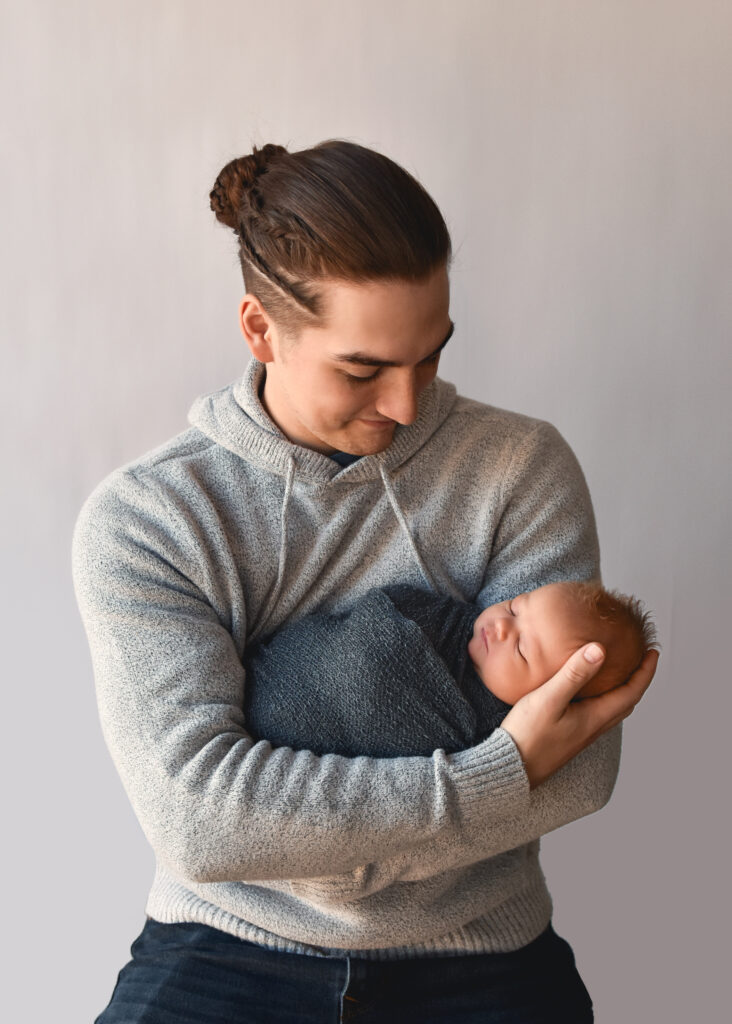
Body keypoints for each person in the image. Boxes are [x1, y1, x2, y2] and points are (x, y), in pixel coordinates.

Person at [72, 139, 657, 1023]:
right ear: (261, 330)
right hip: (227, 945)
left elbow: (580, 770)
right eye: (363, 369)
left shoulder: (517, 467)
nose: (410, 405)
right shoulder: (151, 519)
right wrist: (492, 779)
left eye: (431, 355)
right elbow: (200, 822)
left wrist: (287, 813)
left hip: (480, 952)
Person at [242, 580, 659, 758]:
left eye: (521, 649)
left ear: (553, 696)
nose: (498, 627)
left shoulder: (493, 738)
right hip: (278, 672)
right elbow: (381, 611)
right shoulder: (446, 620)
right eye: (515, 607)